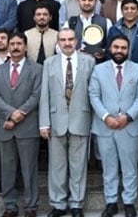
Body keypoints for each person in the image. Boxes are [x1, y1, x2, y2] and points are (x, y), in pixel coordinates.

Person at [38, 28, 95, 217]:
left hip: (81, 118)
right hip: (56, 121)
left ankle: (76, 203)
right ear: (58, 43)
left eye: (71, 39)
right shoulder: (49, 63)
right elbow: (44, 94)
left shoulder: (89, 61)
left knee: (79, 165)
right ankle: (58, 204)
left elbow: (93, 93)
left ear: (77, 41)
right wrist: (44, 123)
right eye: (63, 40)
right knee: (57, 166)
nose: (67, 43)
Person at [89, 35, 138, 217]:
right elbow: (94, 96)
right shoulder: (98, 70)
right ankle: (111, 202)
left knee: (130, 167)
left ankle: (129, 202)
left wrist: (127, 117)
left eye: (123, 48)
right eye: (116, 47)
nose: (119, 51)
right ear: (109, 49)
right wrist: (106, 117)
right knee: (109, 167)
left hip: (129, 127)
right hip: (105, 126)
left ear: (128, 50)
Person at [0, 32, 43, 217]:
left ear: (26, 47)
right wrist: (11, 114)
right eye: (12, 44)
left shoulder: (37, 69)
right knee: (7, 169)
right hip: (4, 126)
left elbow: (36, 95)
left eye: (19, 44)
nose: (15, 47)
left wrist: (20, 114)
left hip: (27, 125)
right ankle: (10, 206)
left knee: (29, 169)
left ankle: (31, 206)